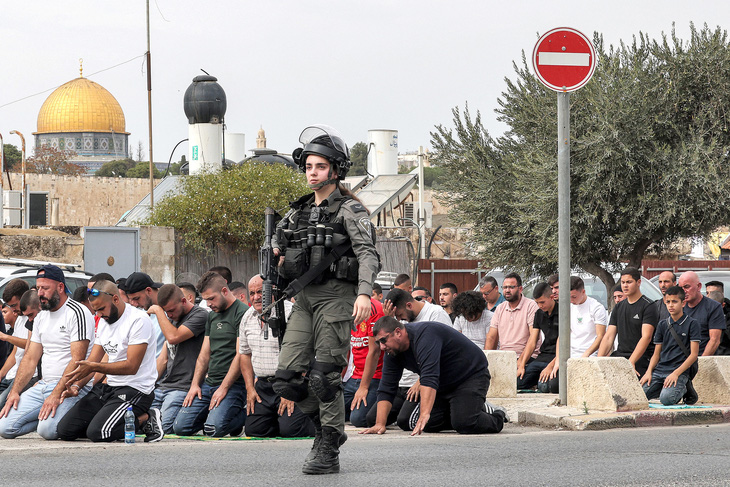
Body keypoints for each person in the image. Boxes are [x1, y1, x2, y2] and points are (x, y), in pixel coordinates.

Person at [270, 125, 380, 475]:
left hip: (337, 297)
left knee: (324, 376)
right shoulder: (296, 212)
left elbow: (368, 253)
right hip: (303, 299)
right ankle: (326, 429)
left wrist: (364, 292)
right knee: (287, 379)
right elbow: (278, 241)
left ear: (335, 170)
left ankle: (328, 444)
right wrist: (277, 253)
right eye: (308, 167)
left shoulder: (350, 210)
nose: (312, 173)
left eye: (319, 166)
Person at [56, 281, 163, 442]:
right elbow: (92, 362)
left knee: (99, 433)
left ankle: (146, 418)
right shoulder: (105, 322)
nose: (98, 315)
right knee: (65, 431)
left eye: (101, 309)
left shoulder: (138, 320)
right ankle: (107, 420)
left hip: (136, 389)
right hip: (109, 387)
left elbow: (131, 366)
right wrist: (76, 386)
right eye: (95, 310)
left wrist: (95, 366)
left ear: (115, 299)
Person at [361, 317, 506, 436]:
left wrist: (424, 413)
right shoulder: (392, 351)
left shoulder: (424, 335)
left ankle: (496, 414)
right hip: (444, 383)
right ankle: (465, 408)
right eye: (378, 343)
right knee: (428, 425)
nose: (382, 347)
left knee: (465, 424)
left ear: (398, 332)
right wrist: (380, 424)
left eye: (384, 340)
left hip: (470, 376)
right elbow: (387, 386)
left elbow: (429, 376)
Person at [0, 265, 94, 440]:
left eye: (45, 288)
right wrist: (15, 391)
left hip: (69, 387)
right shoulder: (41, 316)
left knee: (48, 431)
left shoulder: (77, 313)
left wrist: (55, 395)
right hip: (43, 386)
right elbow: (30, 358)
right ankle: (48, 415)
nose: (40, 293)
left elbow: (77, 360)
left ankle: (58, 417)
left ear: (60, 287)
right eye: (38, 288)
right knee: (4, 428)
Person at [173, 272, 248, 437]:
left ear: (224, 291)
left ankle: (245, 415)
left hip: (233, 385)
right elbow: (204, 355)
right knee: (180, 428)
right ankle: (218, 415)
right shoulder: (212, 316)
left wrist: (223, 388)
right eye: (205, 299)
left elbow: (240, 354)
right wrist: (195, 385)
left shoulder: (242, 313)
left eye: (211, 298)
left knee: (213, 430)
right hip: (209, 383)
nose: (208, 304)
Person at [239, 276, 314, 438]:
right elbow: (244, 354)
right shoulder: (247, 316)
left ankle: (317, 419)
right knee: (255, 431)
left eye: (260, 292)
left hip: (290, 382)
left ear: (273, 291)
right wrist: (250, 388)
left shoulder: (290, 312)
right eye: (252, 293)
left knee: (291, 431)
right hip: (263, 386)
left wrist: (292, 389)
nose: (256, 297)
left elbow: (305, 352)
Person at [149, 284, 208, 433]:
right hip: (164, 386)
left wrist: (157, 310)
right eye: (165, 312)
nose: (169, 315)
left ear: (183, 301)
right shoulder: (172, 319)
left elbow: (173, 337)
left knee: (164, 429)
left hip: (183, 387)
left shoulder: (200, 315)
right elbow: (163, 359)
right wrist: (148, 385)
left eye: (171, 310)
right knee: (141, 423)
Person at [640, 286, 700, 405]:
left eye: (674, 301)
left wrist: (676, 373)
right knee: (639, 396)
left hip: (679, 371)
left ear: (683, 303)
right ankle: (664, 388)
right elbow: (656, 354)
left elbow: (694, 355)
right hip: (660, 370)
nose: (671, 305)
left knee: (666, 400)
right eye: (668, 302)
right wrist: (648, 372)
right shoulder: (662, 324)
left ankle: (685, 388)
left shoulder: (692, 324)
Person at [598, 267, 658, 378]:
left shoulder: (649, 306)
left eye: (629, 282)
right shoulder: (619, 307)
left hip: (641, 358)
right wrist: (598, 361)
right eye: (623, 282)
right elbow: (608, 337)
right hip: (620, 356)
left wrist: (631, 362)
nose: (625, 285)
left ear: (638, 282)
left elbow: (646, 337)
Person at [485, 273, 540, 390]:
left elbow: (533, 338)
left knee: (517, 383)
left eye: (511, 287)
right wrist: (486, 362)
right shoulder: (500, 308)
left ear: (520, 289)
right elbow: (491, 337)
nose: (507, 290)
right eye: (505, 288)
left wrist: (521, 362)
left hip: (526, 358)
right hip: (505, 358)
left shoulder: (531, 306)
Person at [344, 297, 384, 428]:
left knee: (358, 420)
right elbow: (345, 349)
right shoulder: (345, 306)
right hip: (354, 377)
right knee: (329, 412)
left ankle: (390, 404)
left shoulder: (374, 308)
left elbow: (374, 352)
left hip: (374, 377)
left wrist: (363, 387)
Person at [0, 289, 39, 409]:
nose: (13, 310)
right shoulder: (19, 320)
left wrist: (6, 337)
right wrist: (1, 373)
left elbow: (31, 346)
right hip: (13, 373)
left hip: (27, 375)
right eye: (9, 306)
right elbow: (15, 352)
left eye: (13, 305)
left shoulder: (32, 319)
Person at [518, 283, 559, 393]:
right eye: (537, 303)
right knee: (518, 382)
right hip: (542, 357)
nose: (540, 306)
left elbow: (565, 345)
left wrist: (551, 366)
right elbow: (532, 341)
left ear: (551, 297)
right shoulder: (539, 314)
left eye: (542, 302)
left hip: (556, 358)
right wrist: (522, 365)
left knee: (545, 387)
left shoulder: (562, 313)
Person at [678, 271, 725, 356]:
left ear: (699, 286)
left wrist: (700, 363)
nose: (683, 291)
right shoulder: (679, 308)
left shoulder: (713, 307)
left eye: (687, 287)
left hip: (703, 361)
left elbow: (714, 340)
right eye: (680, 288)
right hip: (681, 361)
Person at [125, 272, 166, 357]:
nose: (135, 304)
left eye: (137, 298)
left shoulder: (171, 311)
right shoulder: (140, 313)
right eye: (131, 300)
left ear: (148, 290)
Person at [570, 276, 607, 358]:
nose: (571, 300)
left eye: (574, 297)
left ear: (583, 292)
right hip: (570, 353)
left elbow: (600, 336)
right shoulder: (568, 307)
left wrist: (587, 354)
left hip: (590, 355)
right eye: (569, 297)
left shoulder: (596, 308)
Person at [384, 288, 451, 325]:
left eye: (400, 315)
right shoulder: (404, 320)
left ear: (409, 306)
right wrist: (390, 320)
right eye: (396, 317)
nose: (398, 319)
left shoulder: (436, 314)